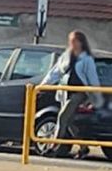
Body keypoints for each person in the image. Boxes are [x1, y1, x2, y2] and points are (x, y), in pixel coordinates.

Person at [42, 31, 102, 159]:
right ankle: (83, 147)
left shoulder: (87, 59)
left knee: (62, 117)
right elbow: (55, 72)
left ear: (81, 42)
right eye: (71, 41)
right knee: (69, 122)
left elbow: (93, 78)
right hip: (65, 91)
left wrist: (96, 97)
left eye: (75, 41)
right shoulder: (66, 56)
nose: (72, 43)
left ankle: (53, 147)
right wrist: (43, 85)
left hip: (79, 93)